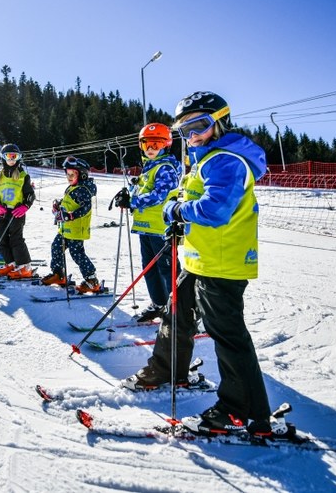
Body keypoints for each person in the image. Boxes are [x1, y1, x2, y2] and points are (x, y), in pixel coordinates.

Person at [123, 91, 277, 439]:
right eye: (185, 130)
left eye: (200, 126)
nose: (192, 136)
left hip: (221, 263)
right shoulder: (206, 159)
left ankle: (242, 412)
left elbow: (215, 210)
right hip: (198, 259)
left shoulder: (226, 160)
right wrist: (179, 206)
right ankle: (167, 370)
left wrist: (178, 211)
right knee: (175, 315)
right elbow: (191, 197)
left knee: (228, 335)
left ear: (220, 123)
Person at [113, 123, 181, 322]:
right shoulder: (148, 169)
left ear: (166, 145)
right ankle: (159, 304)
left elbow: (160, 195)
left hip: (162, 229)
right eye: (146, 144)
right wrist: (128, 197)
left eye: (156, 144)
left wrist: (134, 201)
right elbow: (143, 192)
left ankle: (182, 310)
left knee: (169, 270)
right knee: (149, 269)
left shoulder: (166, 168)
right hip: (146, 228)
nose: (150, 148)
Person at [41, 156, 100, 293]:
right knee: (56, 247)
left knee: (77, 254)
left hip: (76, 229)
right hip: (65, 229)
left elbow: (86, 207)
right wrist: (59, 205)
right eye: (67, 174)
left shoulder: (83, 190)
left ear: (82, 174)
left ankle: (92, 280)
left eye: (72, 174)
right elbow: (68, 202)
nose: (69, 177)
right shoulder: (72, 188)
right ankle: (58, 274)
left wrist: (70, 215)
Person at [0, 144, 36, 279]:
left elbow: (30, 195)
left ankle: (25, 267)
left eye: (14, 156)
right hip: (3, 212)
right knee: (0, 238)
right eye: (8, 156)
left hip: (17, 212)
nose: (11, 159)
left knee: (16, 239)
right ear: (3, 158)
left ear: (18, 158)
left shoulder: (23, 175)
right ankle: (10, 262)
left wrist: (25, 206)